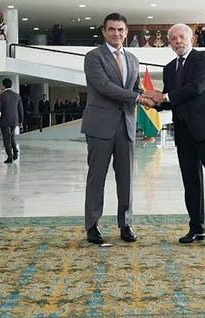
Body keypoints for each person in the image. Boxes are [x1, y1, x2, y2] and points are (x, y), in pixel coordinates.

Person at [146, 23, 205, 246]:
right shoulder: (169, 68)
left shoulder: (204, 58)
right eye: (173, 38)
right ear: (169, 43)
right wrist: (154, 103)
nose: (178, 41)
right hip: (184, 131)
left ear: (191, 38)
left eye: (181, 37)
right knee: (190, 182)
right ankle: (197, 228)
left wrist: (164, 97)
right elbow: (172, 99)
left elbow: (196, 88)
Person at [81, 12, 147, 245]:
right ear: (104, 31)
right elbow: (104, 86)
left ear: (126, 32)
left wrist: (149, 96)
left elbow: (135, 87)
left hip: (126, 125)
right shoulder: (93, 57)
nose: (116, 33)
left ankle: (126, 224)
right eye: (112, 29)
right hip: (100, 126)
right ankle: (92, 226)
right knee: (96, 178)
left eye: (120, 30)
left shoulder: (133, 59)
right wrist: (137, 98)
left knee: (126, 179)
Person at [0, 78, 24, 163]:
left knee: (7, 139)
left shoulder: (1, 96)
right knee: (12, 137)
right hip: (14, 120)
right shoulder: (17, 95)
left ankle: (10, 156)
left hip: (5, 120)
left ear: (3, 86)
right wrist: (21, 121)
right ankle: (15, 152)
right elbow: (21, 110)